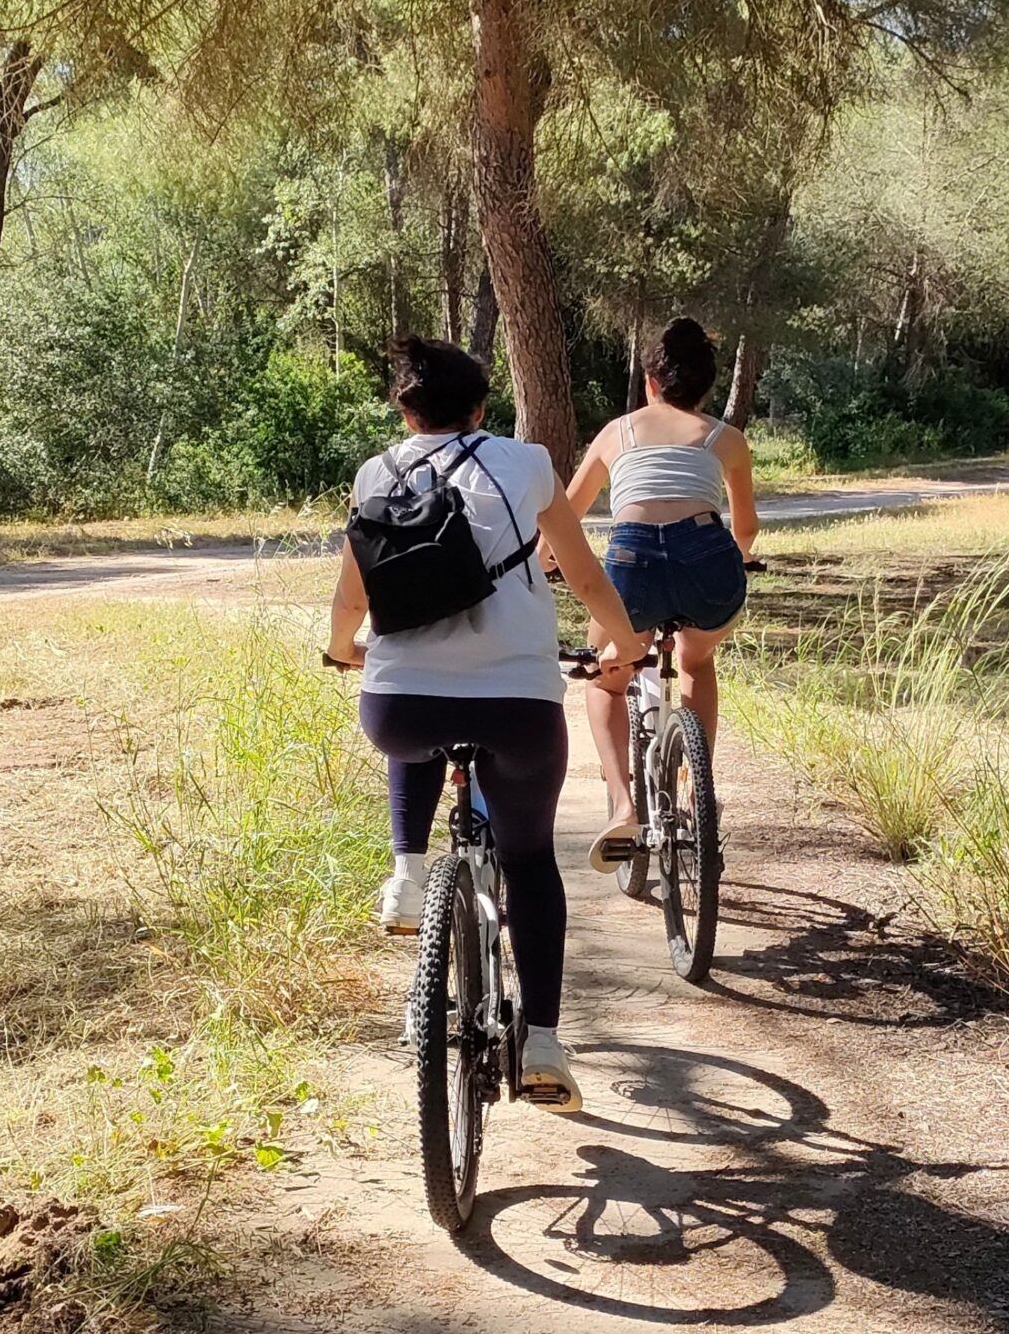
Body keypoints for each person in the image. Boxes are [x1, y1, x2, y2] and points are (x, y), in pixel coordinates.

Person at [325, 336, 649, 1112]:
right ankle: (541, 1040)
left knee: (413, 703)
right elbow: (580, 569)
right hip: (518, 708)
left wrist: (345, 651)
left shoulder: (377, 472)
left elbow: (351, 597)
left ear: (405, 412)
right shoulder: (528, 461)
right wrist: (624, 646)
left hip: (398, 708)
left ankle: (408, 875)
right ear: (481, 409)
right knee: (530, 859)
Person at [561, 318, 759, 872]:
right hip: (709, 562)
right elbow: (744, 529)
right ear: (706, 388)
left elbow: (568, 518)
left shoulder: (617, 434)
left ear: (650, 380)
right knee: (697, 659)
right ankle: (700, 795)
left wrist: (549, 563)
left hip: (633, 562)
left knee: (609, 673)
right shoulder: (726, 439)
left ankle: (624, 806)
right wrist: (736, 558)